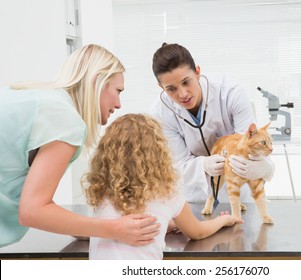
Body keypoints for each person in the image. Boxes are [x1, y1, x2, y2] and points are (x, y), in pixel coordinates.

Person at [0, 44, 160, 248]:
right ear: (97, 82)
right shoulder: (64, 118)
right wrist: (115, 229)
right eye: (118, 91)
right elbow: (32, 210)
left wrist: (85, 228)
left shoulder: (37, 96)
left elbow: (32, 199)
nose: (119, 104)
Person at [83, 113, 242, 260]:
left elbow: (132, 223)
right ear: (157, 152)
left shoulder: (101, 193)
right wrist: (224, 219)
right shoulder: (167, 194)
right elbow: (197, 232)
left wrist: (169, 223)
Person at [150, 43, 275, 203]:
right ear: (161, 87)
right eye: (171, 89)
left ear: (197, 72)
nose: (182, 94)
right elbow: (178, 164)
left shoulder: (231, 93)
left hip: (240, 194)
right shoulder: (160, 113)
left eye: (186, 82)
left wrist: (265, 168)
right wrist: (204, 165)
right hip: (195, 198)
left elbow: (250, 145)